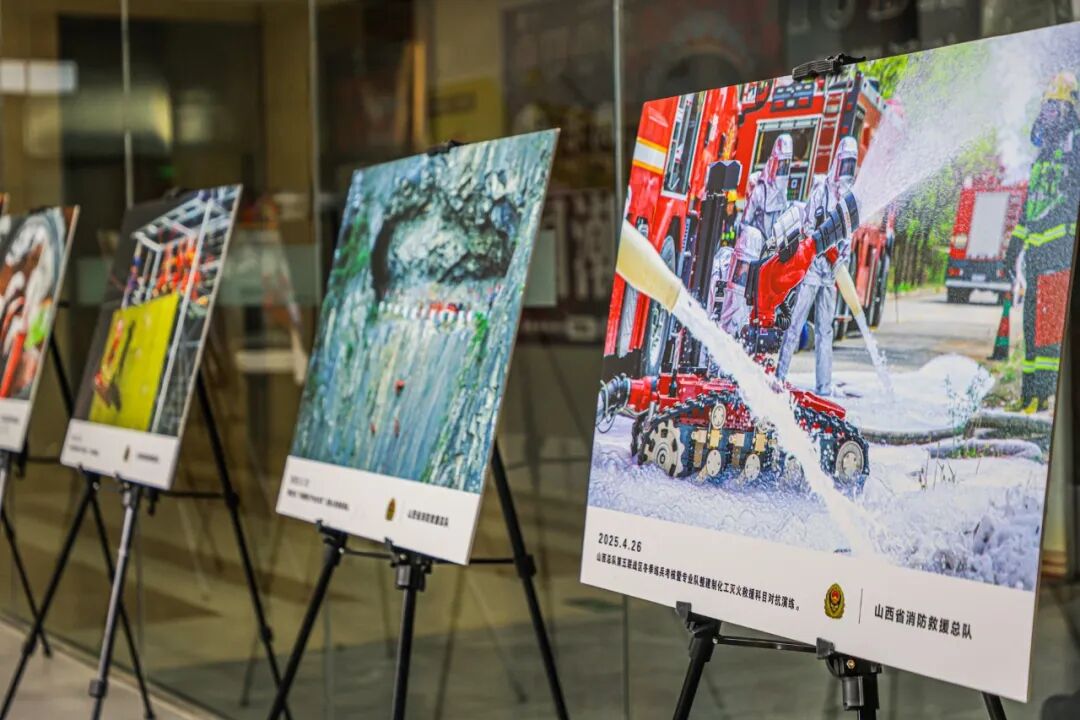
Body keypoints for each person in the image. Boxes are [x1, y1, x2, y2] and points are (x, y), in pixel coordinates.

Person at [1003, 71, 1080, 412]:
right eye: (1045, 108)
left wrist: (1050, 223)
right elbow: (1030, 206)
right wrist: (1013, 248)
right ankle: (1027, 395)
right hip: (1036, 252)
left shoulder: (1074, 147)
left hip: (1059, 250)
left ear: (1068, 110)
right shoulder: (1044, 154)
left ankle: (1044, 397)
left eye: (1054, 108)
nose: (1047, 115)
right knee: (1031, 324)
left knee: (1049, 327)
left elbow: (1071, 197)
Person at [775, 135, 859, 395]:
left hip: (830, 275)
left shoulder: (849, 199)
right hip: (812, 269)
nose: (847, 170)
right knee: (795, 323)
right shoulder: (821, 191)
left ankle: (823, 386)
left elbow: (849, 237)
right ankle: (778, 378)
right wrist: (823, 248)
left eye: (851, 164)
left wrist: (840, 258)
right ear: (838, 162)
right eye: (845, 163)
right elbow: (808, 227)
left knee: (825, 330)